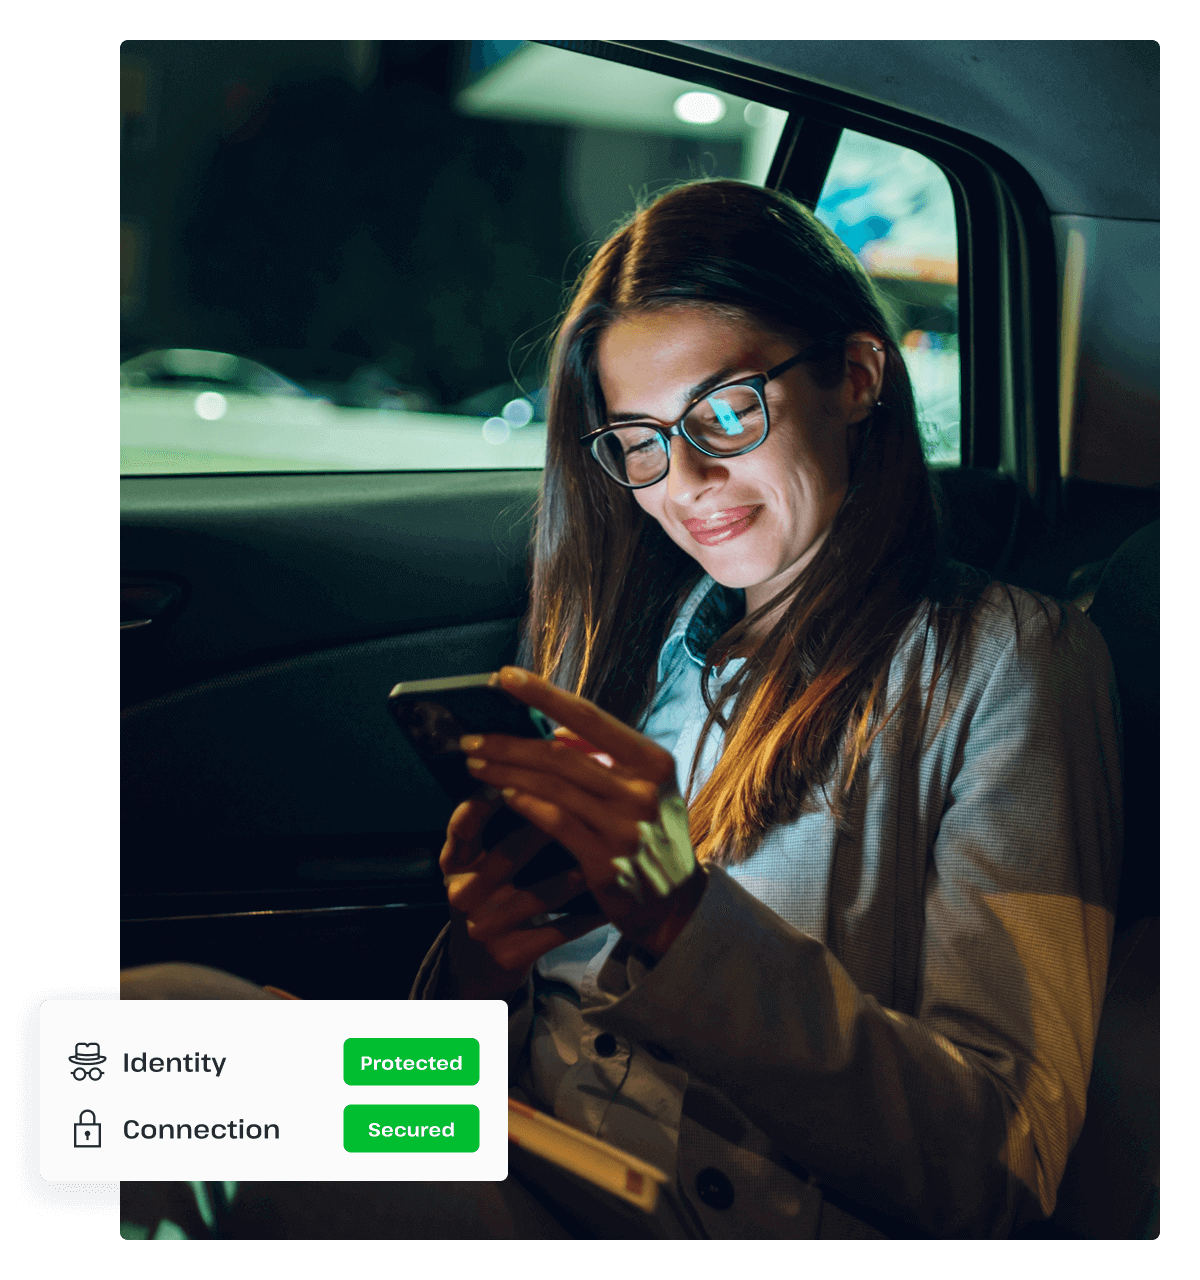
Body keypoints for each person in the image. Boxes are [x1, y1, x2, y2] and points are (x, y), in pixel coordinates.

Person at [121, 178, 1121, 1240]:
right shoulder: (635, 637)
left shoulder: (1007, 659)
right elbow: (490, 1054)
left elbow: (1000, 1168)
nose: (684, 476)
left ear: (857, 374)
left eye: (727, 410)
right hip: (515, 1136)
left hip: (670, 1208)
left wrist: (683, 921)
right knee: (144, 1028)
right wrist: (482, 963)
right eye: (639, 439)